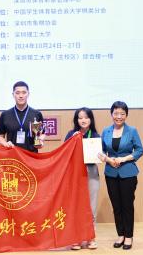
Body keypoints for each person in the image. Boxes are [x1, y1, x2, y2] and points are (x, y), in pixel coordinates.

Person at [98, 101, 143, 250]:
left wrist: (123, 159)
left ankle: (129, 236)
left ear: (126, 115)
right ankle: (121, 235)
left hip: (128, 173)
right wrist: (108, 160)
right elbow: (101, 151)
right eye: (116, 113)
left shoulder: (132, 131)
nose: (119, 116)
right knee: (116, 206)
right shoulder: (106, 131)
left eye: (122, 114)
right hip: (110, 173)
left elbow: (139, 150)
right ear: (111, 114)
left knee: (127, 206)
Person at [64, 107, 100, 250]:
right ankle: (76, 238)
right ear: (76, 120)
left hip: (91, 172)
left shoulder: (96, 135)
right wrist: (72, 140)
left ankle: (91, 238)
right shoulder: (71, 134)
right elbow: (64, 153)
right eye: (80, 118)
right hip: (75, 174)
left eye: (86, 117)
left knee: (91, 206)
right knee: (75, 206)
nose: (83, 120)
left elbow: (100, 155)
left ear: (91, 119)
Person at [0, 81, 45, 152]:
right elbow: (0, 136)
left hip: (31, 155)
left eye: (24, 92)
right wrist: (5, 144)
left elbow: (42, 133)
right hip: (12, 154)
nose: (21, 96)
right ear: (13, 94)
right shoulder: (5, 115)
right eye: (17, 93)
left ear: (28, 94)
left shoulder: (37, 114)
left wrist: (40, 141)